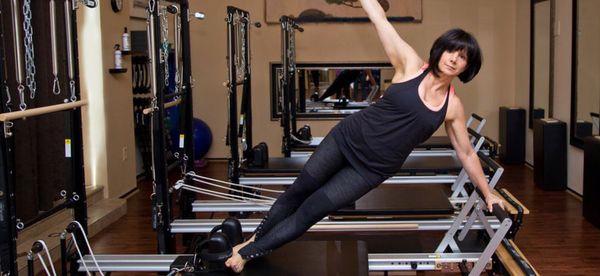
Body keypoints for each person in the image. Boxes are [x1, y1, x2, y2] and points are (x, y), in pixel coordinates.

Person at [226, 0, 504, 272]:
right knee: (297, 192)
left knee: (310, 212)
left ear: (467, 67)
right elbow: (380, 20)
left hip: (370, 169)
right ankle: (252, 244)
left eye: (463, 56)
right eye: (452, 51)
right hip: (345, 140)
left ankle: (249, 251)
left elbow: (466, 152)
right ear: (441, 50)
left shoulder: (452, 107)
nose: (455, 58)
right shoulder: (410, 65)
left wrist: (487, 192)